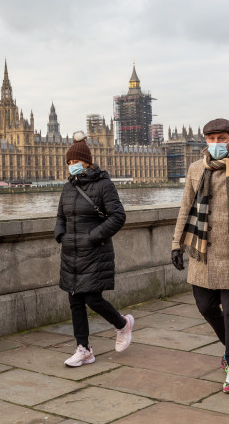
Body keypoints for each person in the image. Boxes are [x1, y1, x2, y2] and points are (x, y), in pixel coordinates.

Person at [171, 118, 229, 393]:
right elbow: (185, 207)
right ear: (205, 141)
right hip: (203, 251)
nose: (216, 143)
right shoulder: (196, 168)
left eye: (221, 138)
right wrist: (177, 244)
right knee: (205, 306)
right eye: (211, 139)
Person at [55, 131, 131, 367]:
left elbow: (118, 216)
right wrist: (60, 234)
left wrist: (92, 237)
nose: (72, 166)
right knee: (75, 301)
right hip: (71, 252)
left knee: (92, 298)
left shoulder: (103, 184)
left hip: (94, 250)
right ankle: (84, 349)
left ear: (87, 162)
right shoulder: (68, 188)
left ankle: (122, 324)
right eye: (68, 163)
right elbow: (61, 216)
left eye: (75, 161)